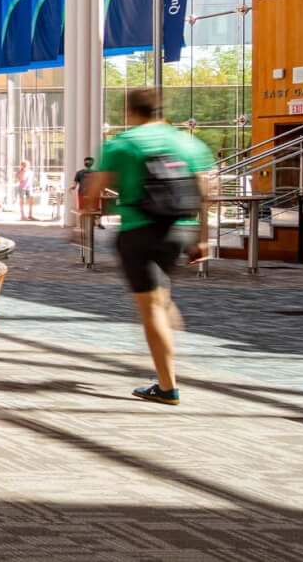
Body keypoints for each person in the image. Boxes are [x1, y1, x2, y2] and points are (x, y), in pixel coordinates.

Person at [82, 87, 214, 405]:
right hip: (179, 230)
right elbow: (205, 191)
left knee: (151, 307)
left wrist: (83, 219)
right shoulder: (187, 142)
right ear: (160, 111)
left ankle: (167, 386)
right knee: (160, 298)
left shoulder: (122, 144)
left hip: (139, 232)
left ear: (130, 112)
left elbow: (94, 191)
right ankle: (167, 347)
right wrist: (202, 238)